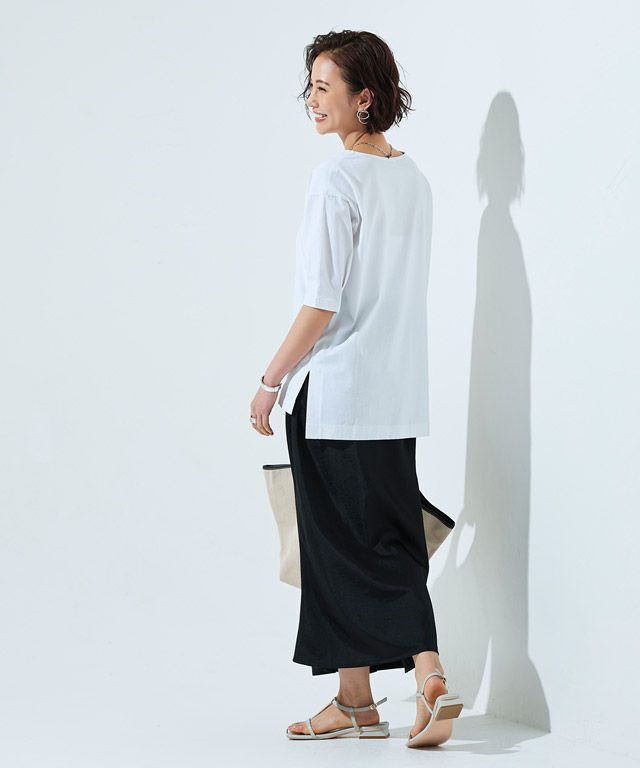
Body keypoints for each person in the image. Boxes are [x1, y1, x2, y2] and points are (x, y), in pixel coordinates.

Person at [249, 30, 463, 747]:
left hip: (336, 397)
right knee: (390, 540)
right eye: (309, 86)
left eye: (324, 87)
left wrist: (269, 381)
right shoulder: (414, 180)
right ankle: (360, 700)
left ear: (363, 98)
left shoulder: (336, 179)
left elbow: (321, 303)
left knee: (338, 550)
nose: (312, 100)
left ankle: (424, 674)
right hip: (396, 397)